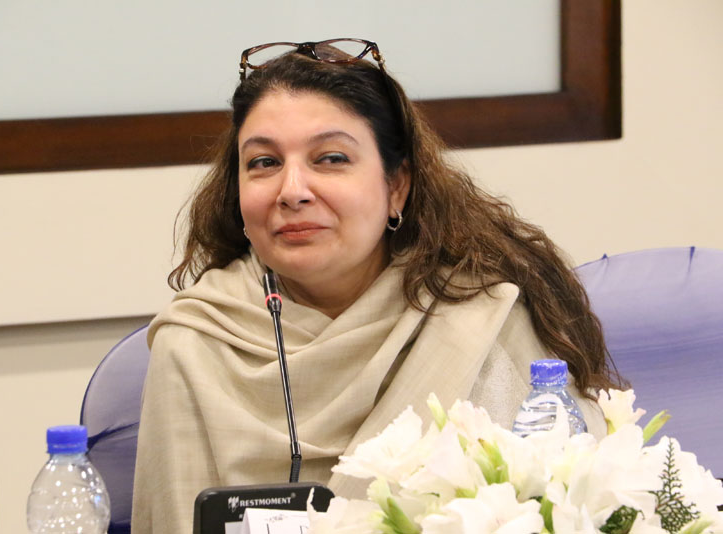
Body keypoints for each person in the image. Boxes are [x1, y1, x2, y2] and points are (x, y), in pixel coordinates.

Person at [132, 38, 623, 533]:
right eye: (264, 163)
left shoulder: (480, 316)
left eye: (330, 158)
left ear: (396, 186)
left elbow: (569, 508)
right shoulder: (197, 342)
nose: (292, 191)